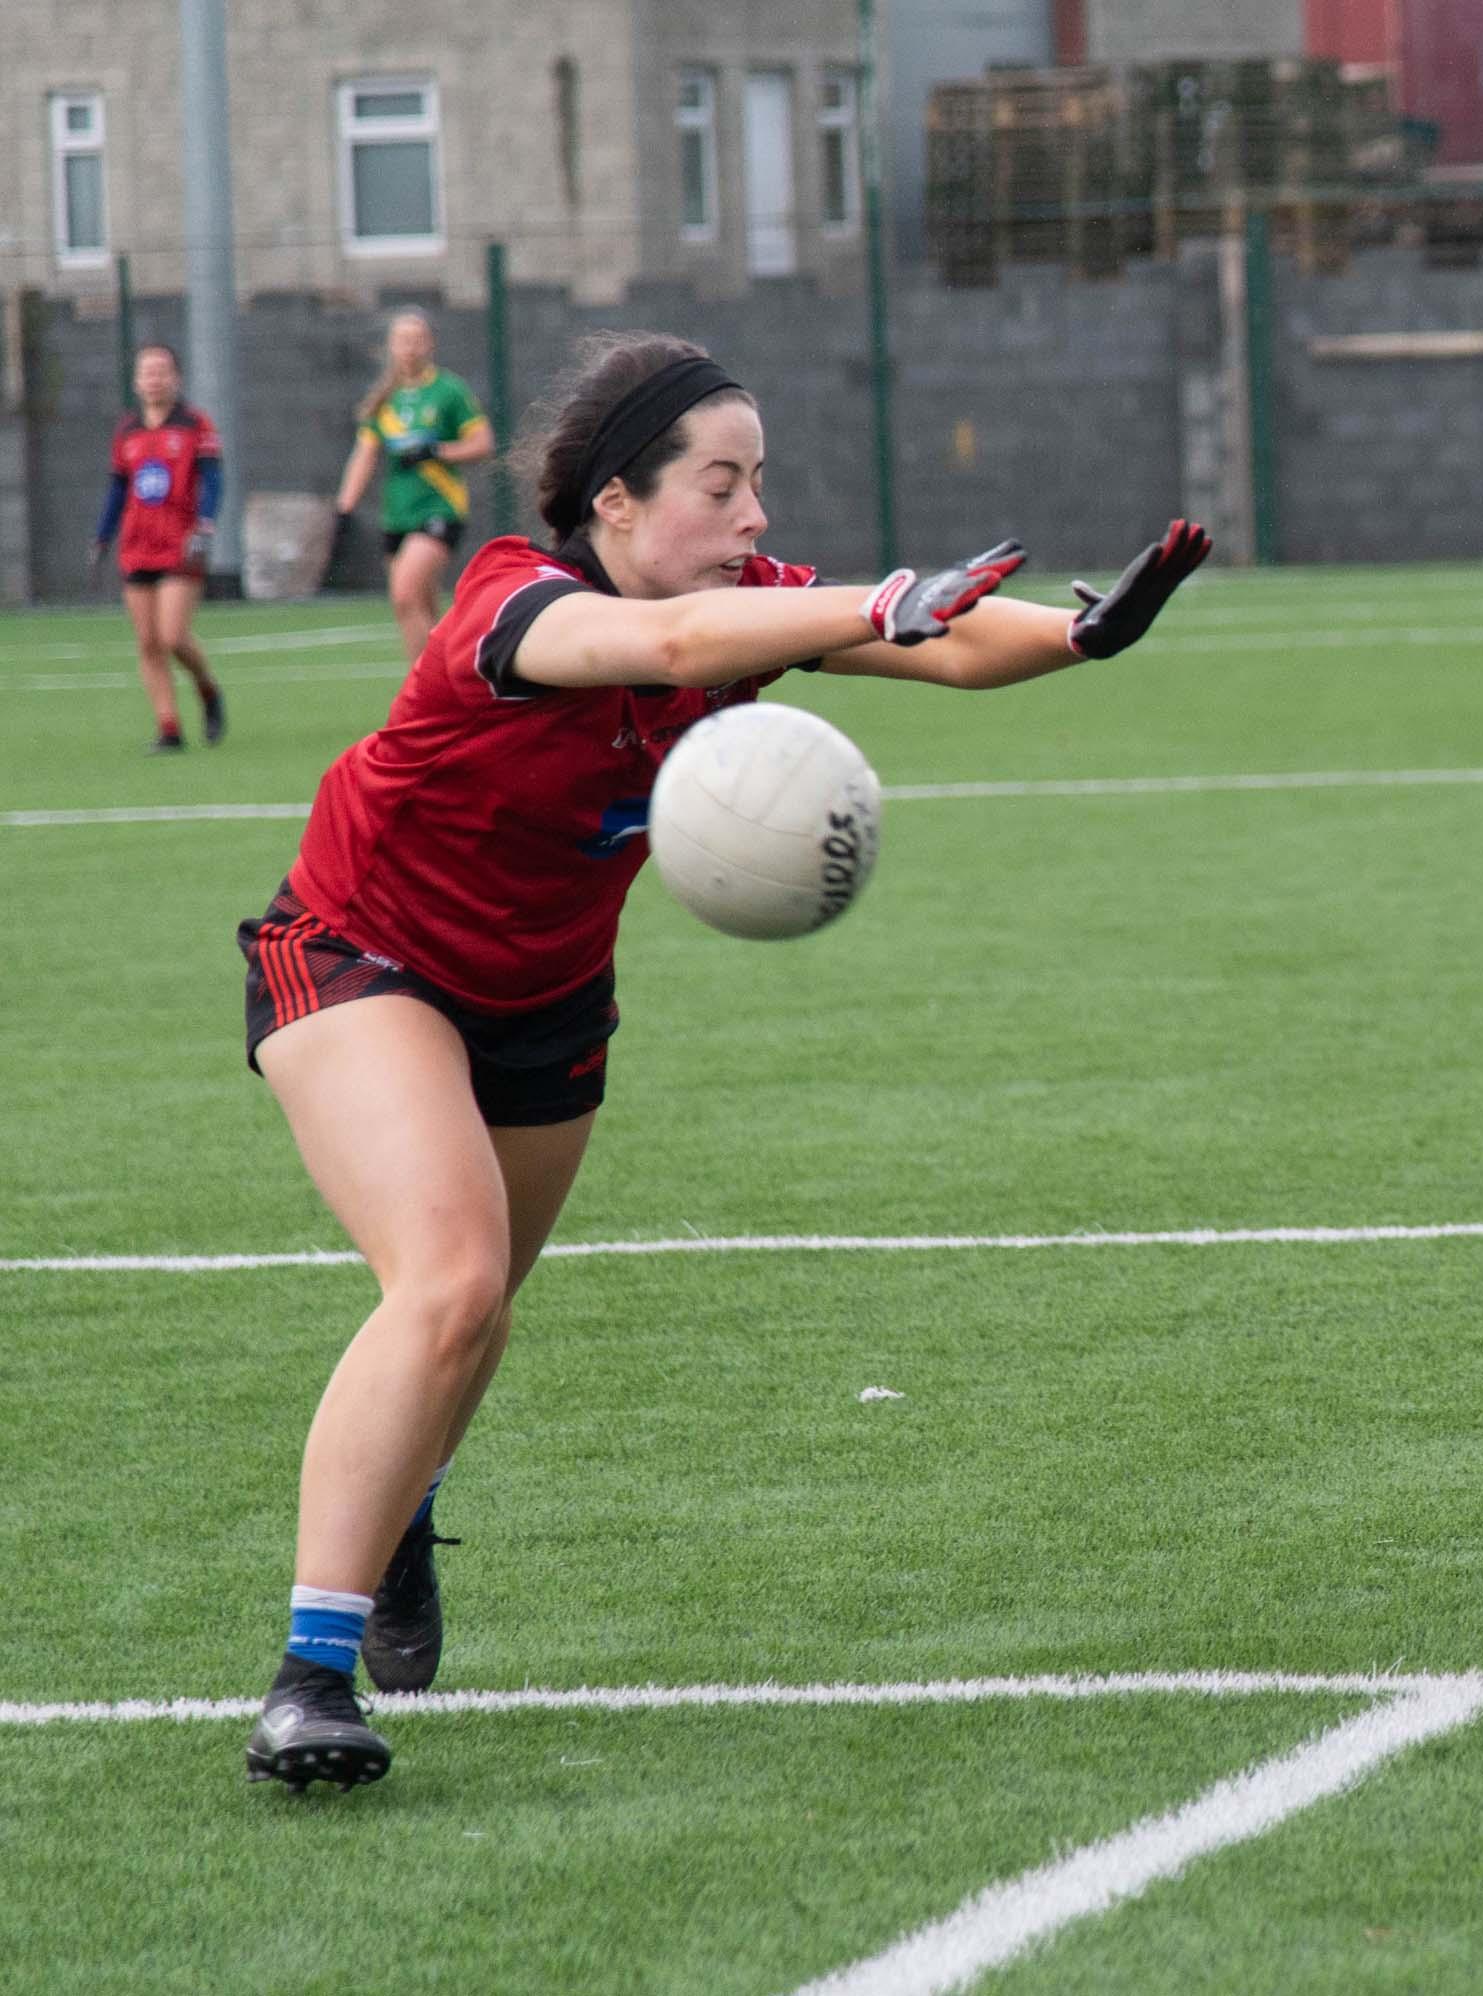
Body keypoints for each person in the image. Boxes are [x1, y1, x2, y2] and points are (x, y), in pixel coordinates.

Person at [236, 330, 1213, 1792]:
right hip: (360, 955)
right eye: (723, 484)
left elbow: (928, 640)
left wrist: (1079, 637)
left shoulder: (743, 601)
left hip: (549, 998)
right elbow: (676, 649)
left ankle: (405, 1504)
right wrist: (881, 595)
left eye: (762, 485)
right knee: (444, 1281)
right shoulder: (513, 601)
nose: (756, 520)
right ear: (615, 502)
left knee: (479, 1309)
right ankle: (308, 1677)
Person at [333, 310, 498, 664]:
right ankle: (456, 680)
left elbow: (483, 443)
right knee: (422, 606)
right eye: (402, 340)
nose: (410, 348)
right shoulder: (384, 399)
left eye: (417, 339)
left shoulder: (448, 390)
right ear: (391, 347)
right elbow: (364, 456)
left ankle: (422, 692)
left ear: (430, 344)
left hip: (440, 507)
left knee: (404, 595)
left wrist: (437, 450)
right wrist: (344, 507)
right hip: (398, 514)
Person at [95, 342, 228, 753]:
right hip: (137, 545)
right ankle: (169, 728)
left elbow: (213, 479)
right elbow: (119, 488)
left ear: (176, 378)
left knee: (173, 636)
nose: (154, 379)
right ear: (137, 382)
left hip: (180, 544)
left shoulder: (195, 424)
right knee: (148, 642)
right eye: (147, 372)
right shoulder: (128, 431)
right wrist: (102, 533)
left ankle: (207, 689)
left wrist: (205, 523)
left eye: (162, 371)